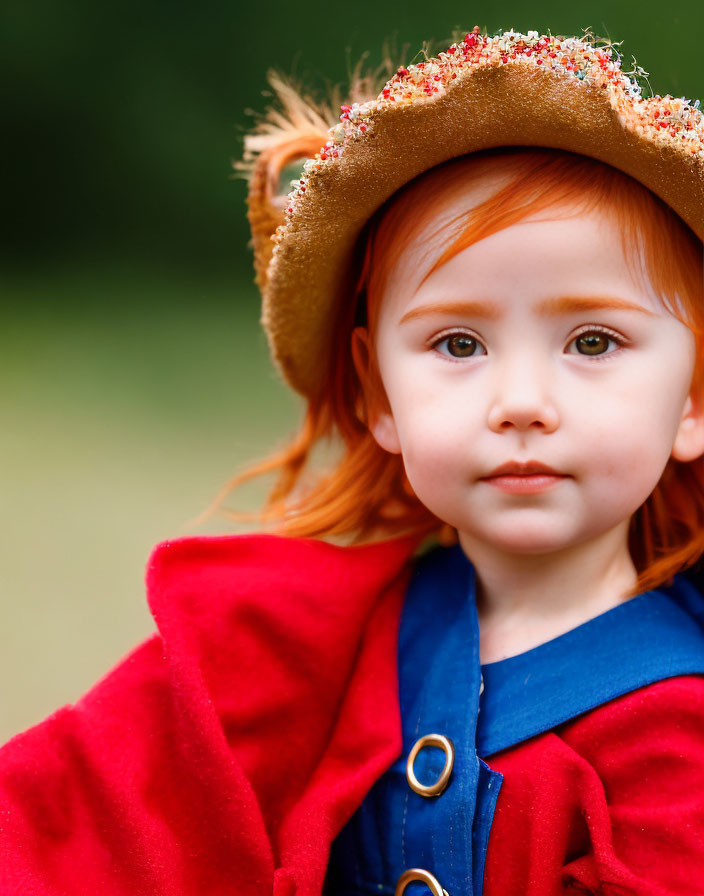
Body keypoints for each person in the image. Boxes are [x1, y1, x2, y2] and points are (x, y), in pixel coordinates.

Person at [2, 25, 704, 896]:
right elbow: (69, 827)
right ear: (378, 397)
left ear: (694, 398)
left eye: (593, 340)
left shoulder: (681, 733)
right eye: (457, 343)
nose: (522, 399)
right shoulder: (300, 649)